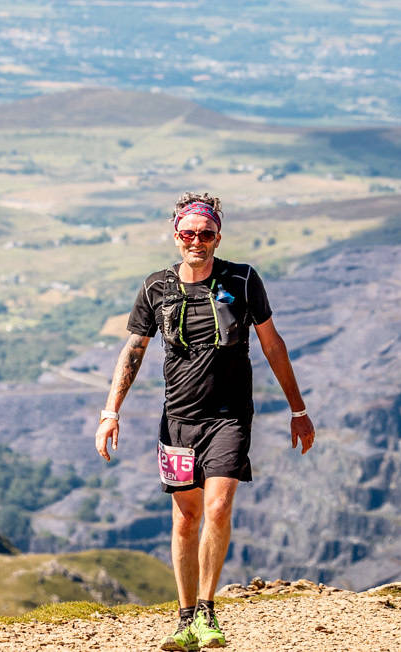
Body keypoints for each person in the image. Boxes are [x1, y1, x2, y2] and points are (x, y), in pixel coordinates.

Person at [94, 193, 314, 650]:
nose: (198, 241)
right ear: (176, 236)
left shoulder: (244, 279)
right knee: (185, 519)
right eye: (189, 233)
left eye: (206, 233)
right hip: (177, 420)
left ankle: (209, 612)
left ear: (218, 236)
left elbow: (273, 346)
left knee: (216, 507)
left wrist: (298, 409)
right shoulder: (156, 288)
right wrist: (110, 412)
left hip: (229, 417)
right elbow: (132, 351)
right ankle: (185, 618)